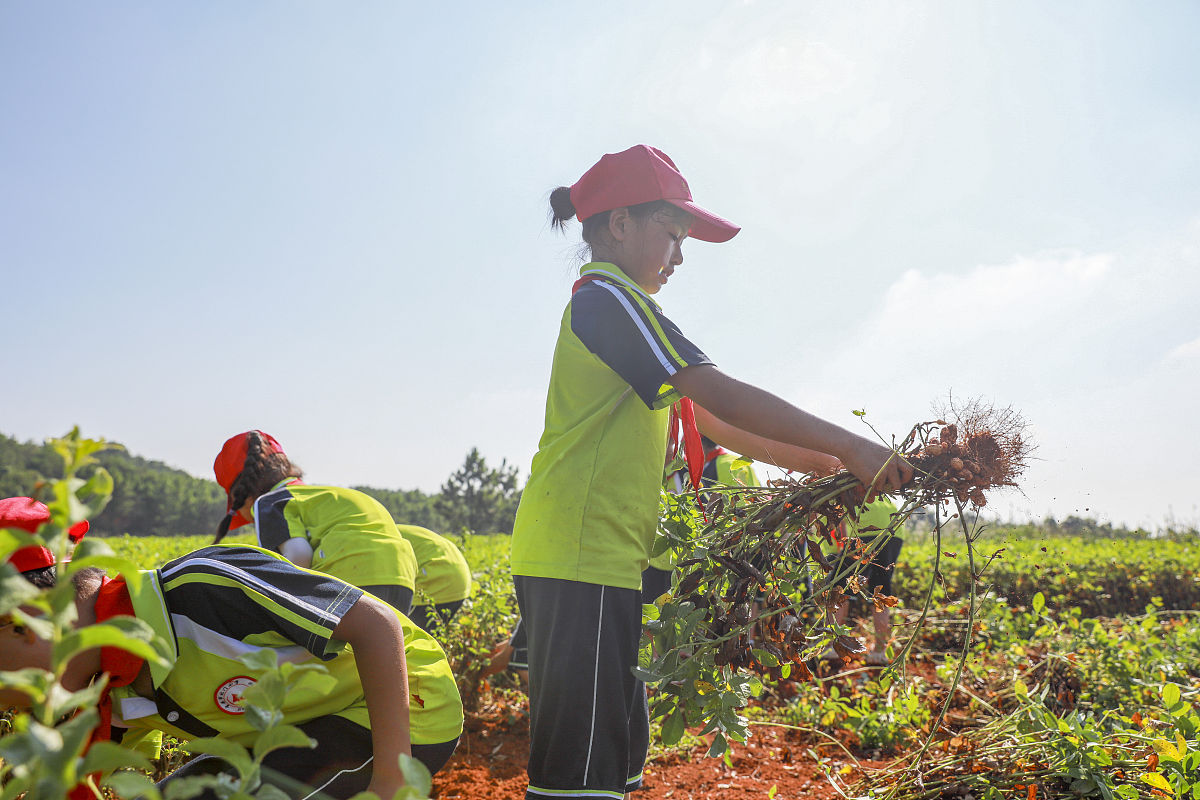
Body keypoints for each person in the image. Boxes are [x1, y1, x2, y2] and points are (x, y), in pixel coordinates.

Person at [510, 144, 911, 800]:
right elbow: (717, 392)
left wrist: (833, 466)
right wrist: (852, 445)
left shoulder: (622, 309)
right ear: (619, 225)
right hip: (579, 560)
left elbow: (710, 421)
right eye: (674, 234)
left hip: (601, 561)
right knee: (577, 778)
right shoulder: (609, 302)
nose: (681, 256)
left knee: (612, 760)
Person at [0, 540, 464, 799]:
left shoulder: (204, 585)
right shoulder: (108, 688)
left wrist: (392, 779)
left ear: (25, 622)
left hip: (403, 709)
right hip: (292, 731)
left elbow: (377, 626)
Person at [213, 430, 420, 615]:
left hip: (352, 583)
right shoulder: (324, 497)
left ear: (242, 496)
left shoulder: (269, 502)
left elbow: (298, 556)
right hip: (402, 579)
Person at [827, 496, 903, 666]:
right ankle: (879, 652)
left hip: (865, 528)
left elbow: (841, 533)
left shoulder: (844, 477)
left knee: (838, 587)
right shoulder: (874, 471)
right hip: (893, 529)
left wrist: (840, 553)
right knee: (881, 589)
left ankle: (833, 646)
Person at [396, 523, 472, 633]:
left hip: (437, 573)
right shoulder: (385, 529)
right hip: (460, 571)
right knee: (428, 637)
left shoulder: (378, 535)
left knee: (408, 636)